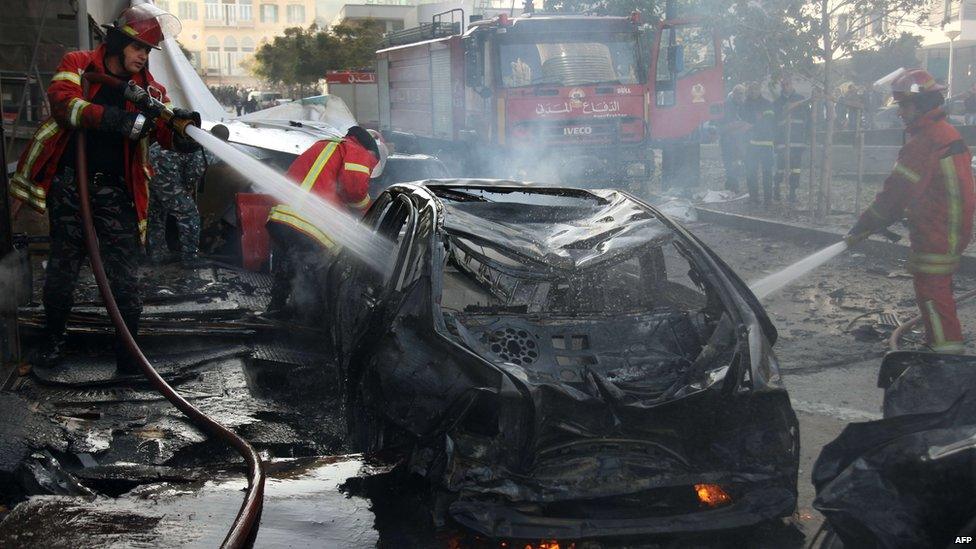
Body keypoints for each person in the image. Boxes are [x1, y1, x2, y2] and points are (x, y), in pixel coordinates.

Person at [9, 4, 200, 373]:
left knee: (125, 276)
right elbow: (64, 105)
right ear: (116, 43)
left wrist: (183, 135)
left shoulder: (152, 90)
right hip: (71, 186)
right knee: (64, 267)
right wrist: (115, 120)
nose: (143, 57)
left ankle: (128, 355)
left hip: (116, 192)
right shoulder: (79, 63)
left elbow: (162, 131)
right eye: (138, 49)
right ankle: (52, 341)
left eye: (147, 52)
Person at [847, 68, 976, 354]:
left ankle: (945, 354)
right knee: (937, 287)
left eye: (903, 105)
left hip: (937, 230)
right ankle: (941, 344)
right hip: (949, 226)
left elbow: (895, 194)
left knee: (932, 290)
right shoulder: (946, 133)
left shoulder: (924, 141)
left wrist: (864, 225)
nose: (899, 113)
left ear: (920, 105)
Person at [265, 126, 387, 322]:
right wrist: (370, 210)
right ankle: (309, 319)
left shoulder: (327, 145)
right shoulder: (359, 151)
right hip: (310, 222)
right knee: (317, 269)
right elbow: (353, 190)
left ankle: (277, 306)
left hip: (283, 216)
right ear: (373, 151)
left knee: (293, 261)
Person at [147, 143, 207, 265]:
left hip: (150, 174)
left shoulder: (185, 139)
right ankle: (190, 257)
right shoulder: (203, 150)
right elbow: (194, 172)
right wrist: (187, 188)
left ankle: (157, 254)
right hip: (167, 177)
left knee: (156, 214)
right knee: (189, 214)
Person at [773, 76, 810, 204]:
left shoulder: (801, 100)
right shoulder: (777, 102)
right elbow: (774, 123)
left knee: (796, 168)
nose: (785, 87)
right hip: (782, 141)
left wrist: (807, 138)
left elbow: (808, 119)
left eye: (787, 84)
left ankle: (792, 193)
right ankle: (777, 189)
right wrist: (775, 142)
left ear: (792, 84)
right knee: (780, 168)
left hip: (798, 140)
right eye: (783, 85)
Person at [742, 81, 776, 206]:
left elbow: (768, 121)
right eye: (751, 90)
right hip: (750, 144)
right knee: (751, 171)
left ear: (759, 90)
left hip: (766, 143)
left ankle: (768, 199)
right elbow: (741, 120)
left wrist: (752, 126)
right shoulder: (745, 105)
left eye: (755, 89)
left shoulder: (767, 104)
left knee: (767, 172)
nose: (753, 92)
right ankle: (753, 197)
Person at [719, 84, 748, 193]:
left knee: (737, 162)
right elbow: (724, 123)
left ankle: (732, 183)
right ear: (734, 93)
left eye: (742, 94)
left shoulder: (743, 105)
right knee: (729, 162)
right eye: (739, 94)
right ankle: (732, 184)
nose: (740, 96)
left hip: (739, 138)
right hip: (728, 138)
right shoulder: (726, 105)